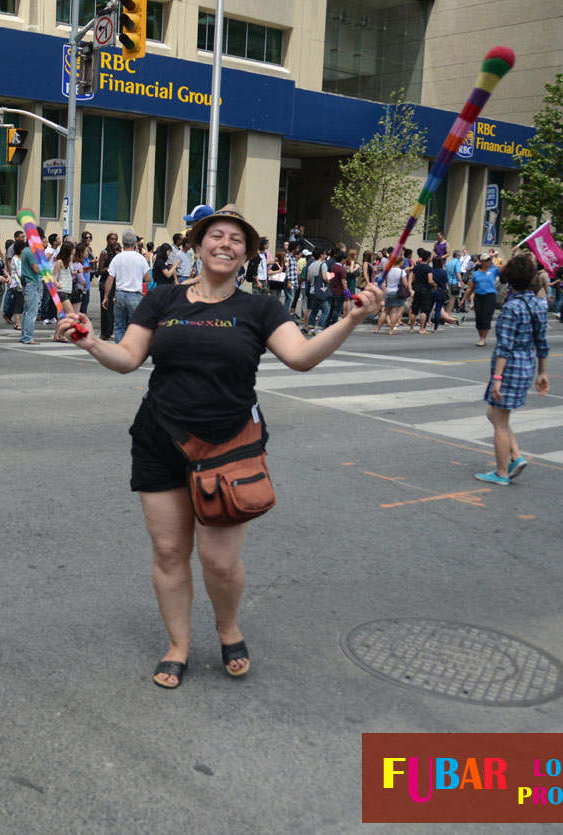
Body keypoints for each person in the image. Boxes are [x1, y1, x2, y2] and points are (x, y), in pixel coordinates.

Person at [53, 204, 383, 688]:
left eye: (236, 239)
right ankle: (178, 645)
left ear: (246, 254)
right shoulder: (163, 298)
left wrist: (351, 319)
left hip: (230, 446)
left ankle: (227, 627)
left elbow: (300, 357)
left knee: (220, 562)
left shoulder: (260, 308)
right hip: (161, 437)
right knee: (169, 552)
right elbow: (127, 357)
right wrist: (91, 344)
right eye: (216, 235)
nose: (225, 244)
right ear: (198, 244)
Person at [475, 255, 550, 485]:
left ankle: (502, 472)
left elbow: (504, 347)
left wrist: (497, 378)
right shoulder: (539, 304)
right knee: (495, 414)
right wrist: (542, 372)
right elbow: (542, 342)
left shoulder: (511, 307)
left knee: (499, 421)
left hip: (509, 368)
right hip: (527, 365)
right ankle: (516, 456)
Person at [104, 231, 150, 344]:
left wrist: (106, 296)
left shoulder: (117, 258)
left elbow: (110, 278)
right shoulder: (140, 258)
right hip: (135, 294)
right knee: (136, 325)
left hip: (120, 293)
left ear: (123, 243)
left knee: (119, 325)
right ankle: (133, 347)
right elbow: (148, 278)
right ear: (135, 243)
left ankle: (120, 348)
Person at [466, 254, 501, 346]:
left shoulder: (493, 270)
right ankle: (481, 337)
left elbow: (506, 266)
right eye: (485, 260)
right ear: (481, 262)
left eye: (489, 260)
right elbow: (470, 288)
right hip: (478, 296)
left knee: (486, 317)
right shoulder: (476, 273)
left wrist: (513, 253)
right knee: (479, 318)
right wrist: (463, 300)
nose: (487, 262)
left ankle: (483, 339)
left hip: (490, 295)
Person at [409, 248, 435, 334]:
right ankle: (421, 329)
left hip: (417, 289)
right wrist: (435, 284)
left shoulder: (416, 267)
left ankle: (411, 328)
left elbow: (413, 279)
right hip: (426, 290)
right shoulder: (429, 268)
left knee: (414, 310)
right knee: (424, 310)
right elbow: (430, 281)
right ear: (428, 258)